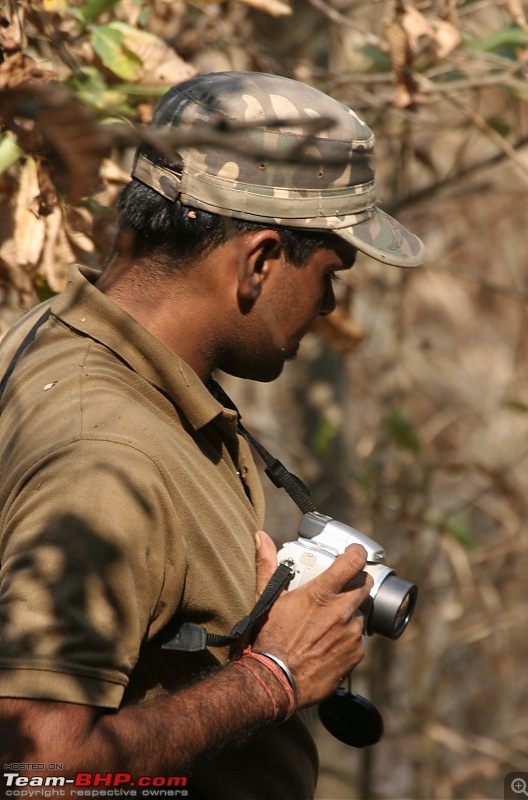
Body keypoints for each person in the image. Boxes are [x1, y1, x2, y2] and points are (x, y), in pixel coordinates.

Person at [0, 71, 424, 800]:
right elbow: (36, 770)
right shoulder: (107, 455)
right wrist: (273, 678)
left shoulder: (50, 338)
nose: (329, 303)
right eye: (331, 271)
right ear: (259, 261)